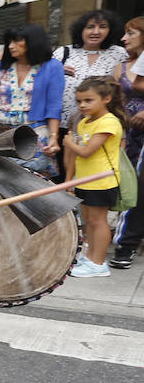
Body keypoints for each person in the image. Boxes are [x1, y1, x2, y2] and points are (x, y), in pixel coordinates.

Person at [0, 25, 65, 176]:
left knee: (34, 174)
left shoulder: (52, 66)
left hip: (34, 128)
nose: (10, 46)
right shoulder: (1, 66)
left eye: (16, 41)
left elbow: (54, 105)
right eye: (9, 42)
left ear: (33, 41)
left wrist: (54, 137)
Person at [63, 77, 126, 278]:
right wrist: (70, 178)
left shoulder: (109, 122)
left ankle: (98, 263)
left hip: (102, 181)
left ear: (106, 98)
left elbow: (86, 151)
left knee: (98, 221)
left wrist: (67, 142)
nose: (82, 105)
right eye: (79, 101)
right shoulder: (84, 122)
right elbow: (78, 153)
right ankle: (89, 257)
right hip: (85, 180)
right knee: (88, 220)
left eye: (88, 100)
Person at [58, 9, 128, 132]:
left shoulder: (120, 54)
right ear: (81, 30)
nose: (96, 31)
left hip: (101, 125)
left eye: (103, 27)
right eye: (90, 27)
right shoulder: (63, 53)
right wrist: (56, 71)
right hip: (62, 123)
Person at [112, 18, 144, 269]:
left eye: (130, 33)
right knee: (134, 184)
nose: (124, 38)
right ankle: (126, 244)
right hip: (131, 133)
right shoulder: (123, 65)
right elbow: (116, 97)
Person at [118, 16, 144, 165]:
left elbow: (137, 85)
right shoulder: (128, 63)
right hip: (130, 128)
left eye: (131, 33)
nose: (124, 38)